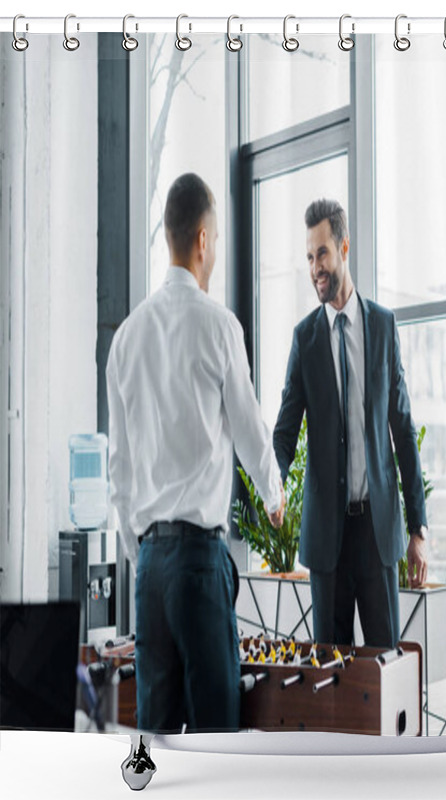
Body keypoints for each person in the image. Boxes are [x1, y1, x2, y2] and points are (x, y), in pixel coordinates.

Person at [106, 173, 285, 733]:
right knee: (217, 744)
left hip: (151, 571)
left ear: (168, 237)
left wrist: (145, 555)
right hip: (199, 565)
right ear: (204, 240)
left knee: (155, 745)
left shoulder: (126, 338)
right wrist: (275, 497)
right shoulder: (219, 327)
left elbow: (120, 472)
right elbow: (252, 431)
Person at [273, 198, 428, 650]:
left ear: (343, 247)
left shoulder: (382, 326)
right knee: (331, 680)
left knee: (385, 670)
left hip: (376, 533)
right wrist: (274, 483)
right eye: (308, 257)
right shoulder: (306, 338)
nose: (315, 267)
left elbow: (402, 427)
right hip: (327, 538)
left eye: (321, 253)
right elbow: (285, 429)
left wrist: (418, 527)